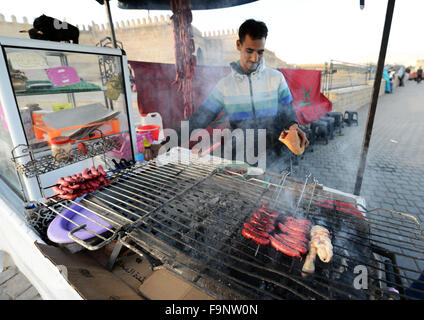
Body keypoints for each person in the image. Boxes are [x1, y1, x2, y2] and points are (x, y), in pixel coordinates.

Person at [144, 19, 308, 172]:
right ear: (239, 45)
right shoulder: (225, 86)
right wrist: (164, 145)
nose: (254, 58)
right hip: (243, 158)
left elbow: (288, 111)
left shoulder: (276, 78)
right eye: (249, 51)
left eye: (260, 52)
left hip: (276, 157)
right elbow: (199, 120)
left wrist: (294, 127)